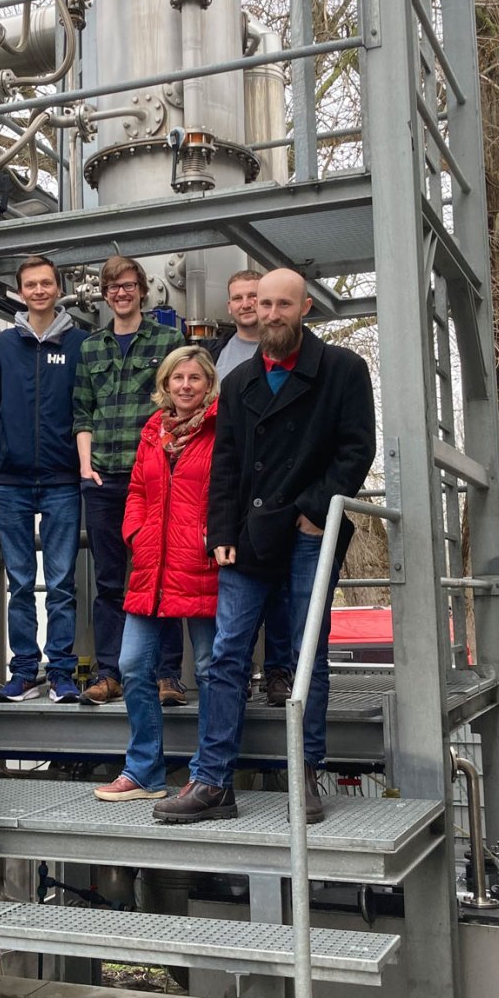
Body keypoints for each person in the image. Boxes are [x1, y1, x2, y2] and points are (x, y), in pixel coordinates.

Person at [153, 268, 376, 826]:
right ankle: (212, 783)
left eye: (281, 304)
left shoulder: (343, 370)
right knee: (225, 657)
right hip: (247, 539)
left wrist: (313, 510)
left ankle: (303, 774)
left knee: (306, 659)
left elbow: (356, 450)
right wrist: (221, 532)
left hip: (308, 535)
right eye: (261, 304)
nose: (271, 313)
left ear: (304, 308)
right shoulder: (240, 381)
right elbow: (225, 464)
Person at [94, 347, 220, 801]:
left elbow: (229, 489)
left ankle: (208, 774)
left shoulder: (220, 429)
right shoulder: (152, 432)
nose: (185, 385)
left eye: (194, 378)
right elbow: (137, 489)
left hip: (202, 565)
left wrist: (210, 535)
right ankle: (145, 770)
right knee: (130, 664)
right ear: (164, 385)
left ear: (209, 384)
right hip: (152, 565)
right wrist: (136, 531)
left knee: (210, 669)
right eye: (177, 378)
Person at [73, 255, 185, 705]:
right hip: (103, 478)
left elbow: (178, 408)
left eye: (128, 285)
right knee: (110, 581)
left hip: (154, 479)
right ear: (105, 295)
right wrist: (86, 467)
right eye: (113, 287)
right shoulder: (90, 347)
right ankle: (110, 674)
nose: (121, 293)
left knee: (161, 575)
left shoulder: (168, 339)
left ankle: (167, 677)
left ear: (142, 289)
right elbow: (82, 411)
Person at [0, 256, 88, 703]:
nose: (39, 290)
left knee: (62, 582)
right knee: (21, 582)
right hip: (11, 482)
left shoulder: (80, 342)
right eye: (31, 284)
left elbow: (87, 409)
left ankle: (61, 672)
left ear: (57, 288)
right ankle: (24, 671)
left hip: (63, 479)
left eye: (46, 283)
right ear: (20, 291)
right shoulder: (3, 346)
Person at [210, 269, 292, 707]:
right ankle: (238, 675)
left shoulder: (284, 348)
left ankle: (279, 670)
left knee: (280, 592)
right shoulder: (220, 357)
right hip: (237, 493)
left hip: (282, 491)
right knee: (235, 600)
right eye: (238, 297)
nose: (247, 304)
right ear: (230, 306)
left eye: (253, 296)